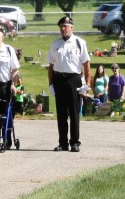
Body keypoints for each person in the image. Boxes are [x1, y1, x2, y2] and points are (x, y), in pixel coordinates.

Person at [47, 16, 91, 152]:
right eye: (61, 26)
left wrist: (87, 83)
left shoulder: (79, 43)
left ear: (72, 27)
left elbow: (86, 64)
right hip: (59, 79)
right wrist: (50, 84)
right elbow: (51, 65)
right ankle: (63, 143)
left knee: (74, 112)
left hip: (74, 79)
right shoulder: (55, 44)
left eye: (66, 26)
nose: (63, 29)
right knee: (61, 113)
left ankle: (75, 142)